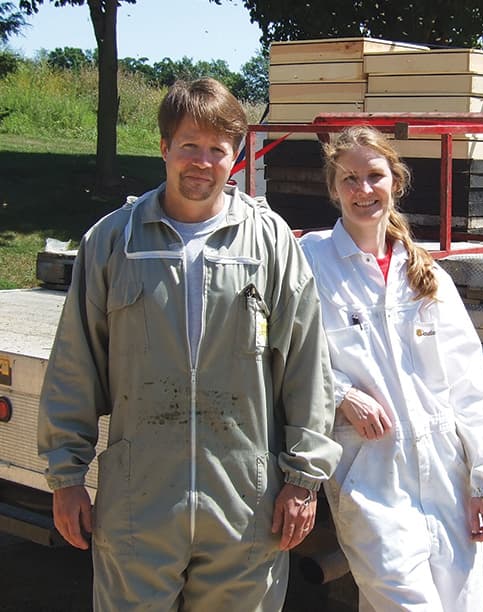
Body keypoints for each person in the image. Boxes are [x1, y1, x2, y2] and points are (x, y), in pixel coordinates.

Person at [37, 77, 341, 611]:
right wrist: (65, 476)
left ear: (237, 155)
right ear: (164, 148)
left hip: (245, 505)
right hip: (139, 502)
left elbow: (306, 364)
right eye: (188, 147)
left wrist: (302, 480)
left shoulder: (269, 243)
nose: (202, 162)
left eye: (217, 150)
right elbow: (75, 363)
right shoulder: (114, 241)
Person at [299, 125, 483, 611]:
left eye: (374, 175)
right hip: (369, 473)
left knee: (460, 605)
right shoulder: (310, 260)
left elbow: (468, 382)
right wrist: (340, 395)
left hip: (445, 472)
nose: (362, 190)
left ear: (395, 181)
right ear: (333, 188)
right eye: (349, 178)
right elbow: (285, 354)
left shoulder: (426, 275)